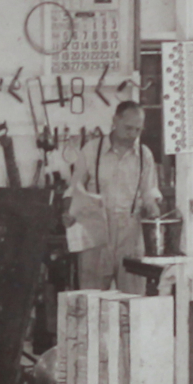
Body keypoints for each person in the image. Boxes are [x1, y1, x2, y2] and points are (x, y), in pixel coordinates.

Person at [69, 100, 162, 292]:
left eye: (138, 130)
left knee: (133, 298)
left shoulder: (145, 155)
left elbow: (149, 191)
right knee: (91, 298)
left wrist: (153, 208)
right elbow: (74, 189)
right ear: (114, 121)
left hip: (131, 233)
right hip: (96, 233)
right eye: (128, 128)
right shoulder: (91, 150)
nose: (133, 135)